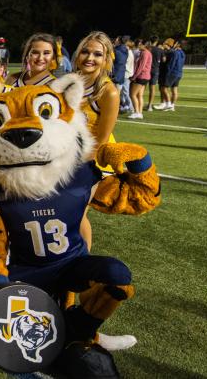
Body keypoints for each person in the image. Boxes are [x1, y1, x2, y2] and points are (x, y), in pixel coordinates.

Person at [72, 31, 119, 251]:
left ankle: (82, 264)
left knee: (76, 212)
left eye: (97, 54)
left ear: (106, 59)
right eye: (85, 51)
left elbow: (100, 141)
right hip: (66, 156)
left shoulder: (108, 91)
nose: (90, 58)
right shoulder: (70, 83)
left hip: (91, 160)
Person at [155, 40, 185, 112]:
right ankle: (172, 106)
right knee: (174, 90)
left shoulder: (174, 52)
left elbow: (171, 64)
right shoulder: (182, 53)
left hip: (172, 73)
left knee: (163, 88)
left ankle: (168, 104)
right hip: (179, 73)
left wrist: (167, 72)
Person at [129, 40, 152, 119]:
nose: (138, 46)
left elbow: (141, 66)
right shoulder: (147, 52)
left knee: (132, 94)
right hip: (145, 76)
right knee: (139, 95)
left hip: (141, 76)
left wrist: (134, 76)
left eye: (140, 45)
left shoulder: (144, 53)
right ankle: (140, 113)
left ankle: (136, 112)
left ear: (144, 45)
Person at [146, 36, 163, 111]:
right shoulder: (160, 50)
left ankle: (138, 106)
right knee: (152, 88)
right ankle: (150, 106)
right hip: (155, 70)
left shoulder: (148, 48)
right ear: (157, 41)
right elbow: (164, 60)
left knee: (142, 88)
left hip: (147, 70)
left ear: (150, 41)